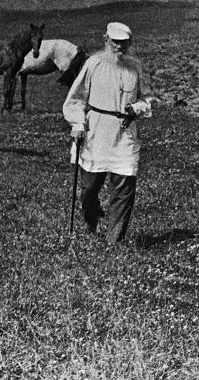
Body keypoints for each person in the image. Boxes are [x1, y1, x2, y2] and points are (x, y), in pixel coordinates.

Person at [62, 21, 154, 243]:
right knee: (89, 188)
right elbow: (75, 99)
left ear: (130, 43)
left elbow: (148, 97)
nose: (119, 47)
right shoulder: (93, 64)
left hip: (124, 134)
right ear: (106, 40)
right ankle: (90, 220)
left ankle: (114, 240)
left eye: (124, 43)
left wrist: (138, 107)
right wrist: (77, 124)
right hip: (96, 132)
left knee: (124, 187)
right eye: (115, 42)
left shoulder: (135, 67)